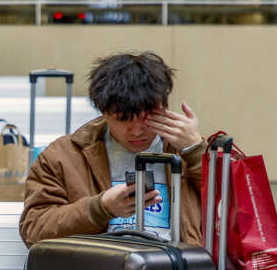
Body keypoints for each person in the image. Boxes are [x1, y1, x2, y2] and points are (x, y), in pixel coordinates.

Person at [19, 51, 206, 247]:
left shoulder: (186, 150)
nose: (136, 131)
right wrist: (100, 209)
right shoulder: (63, 156)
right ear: (103, 112)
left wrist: (195, 151)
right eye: (123, 119)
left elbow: (233, 212)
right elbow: (34, 230)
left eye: (147, 117)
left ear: (163, 106)